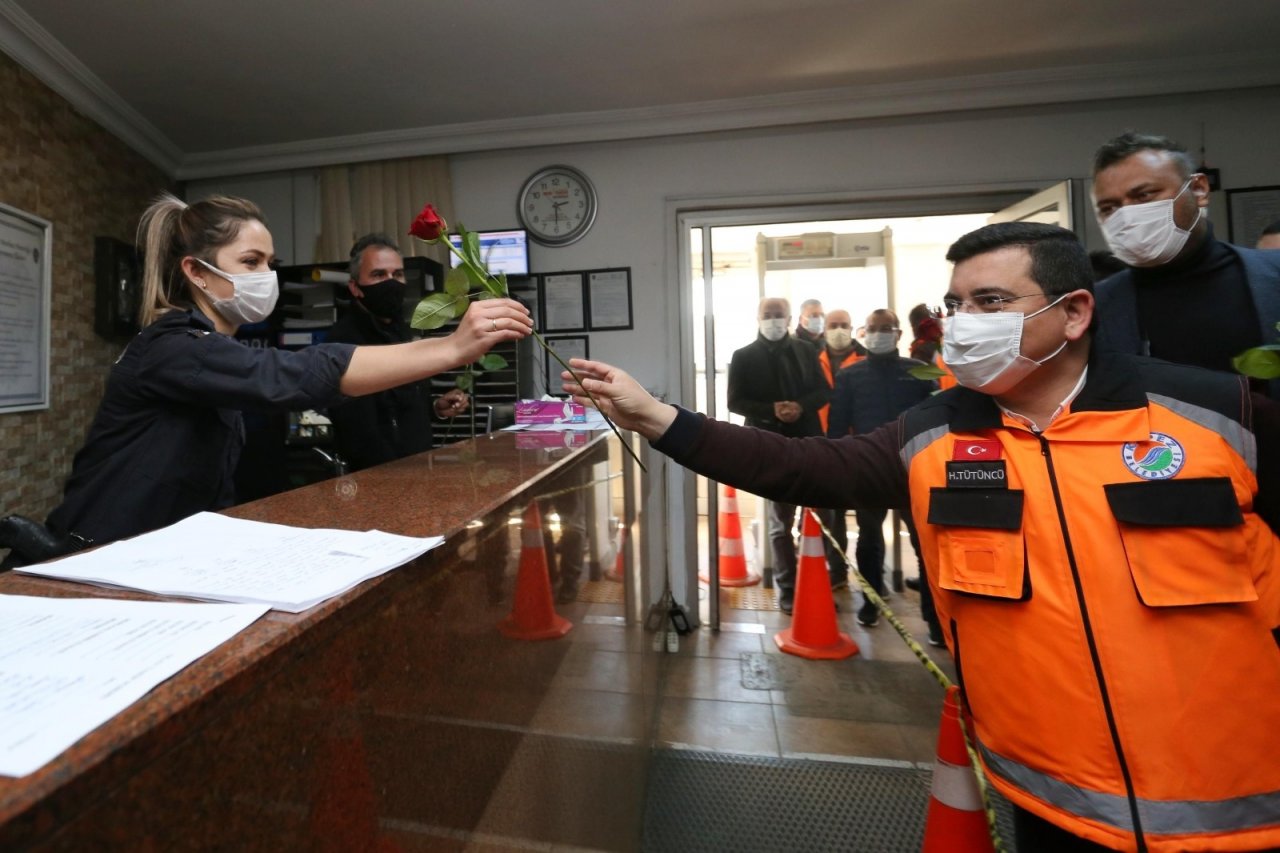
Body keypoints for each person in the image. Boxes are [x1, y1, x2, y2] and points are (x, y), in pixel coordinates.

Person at [563, 222, 1280, 853]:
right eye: (956, 305)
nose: (965, 322)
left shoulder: (1219, 415)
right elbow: (799, 464)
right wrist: (656, 415)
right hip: (1053, 798)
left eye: (992, 302)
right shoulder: (935, 431)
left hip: (1242, 803)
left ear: (1075, 313)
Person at [12, 194, 530, 560]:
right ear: (196, 272)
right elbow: (296, 374)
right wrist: (452, 347)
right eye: (251, 261)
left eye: (270, 262)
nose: (267, 276)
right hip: (94, 557)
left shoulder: (214, 351)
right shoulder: (174, 347)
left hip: (154, 556)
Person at [1091, 131, 1280, 398]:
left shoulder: (1274, 274)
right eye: (1109, 208)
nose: (1127, 216)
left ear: (1199, 189)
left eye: (1144, 195)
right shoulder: (1097, 307)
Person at [827, 309, 936, 633]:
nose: (878, 334)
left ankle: (934, 618)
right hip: (869, 469)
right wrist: (838, 466)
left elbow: (935, 418)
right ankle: (871, 602)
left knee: (925, 544)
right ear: (864, 334)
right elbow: (836, 428)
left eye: (885, 328)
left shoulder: (921, 371)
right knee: (869, 539)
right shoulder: (850, 375)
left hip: (914, 470)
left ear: (898, 334)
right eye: (872, 329)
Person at [325, 233, 471, 471]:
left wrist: (435, 409)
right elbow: (359, 434)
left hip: (419, 470)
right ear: (355, 287)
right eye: (378, 274)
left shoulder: (402, 331)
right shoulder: (344, 343)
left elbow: (401, 405)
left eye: (397, 274)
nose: (391, 282)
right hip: (380, 481)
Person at [727, 296, 830, 614]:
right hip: (768, 443)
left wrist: (800, 406)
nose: (773, 320)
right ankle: (787, 588)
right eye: (767, 315)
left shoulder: (807, 350)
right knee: (778, 522)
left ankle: (816, 581)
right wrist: (772, 411)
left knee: (817, 517)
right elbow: (735, 402)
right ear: (758, 319)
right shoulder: (743, 356)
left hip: (808, 443)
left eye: (778, 315)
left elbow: (824, 390)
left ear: (789, 319)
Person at [815, 309, 865, 590]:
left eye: (844, 325)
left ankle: (849, 572)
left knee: (859, 516)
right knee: (828, 514)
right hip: (818, 442)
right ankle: (831, 570)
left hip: (853, 445)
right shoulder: (813, 359)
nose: (839, 330)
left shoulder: (864, 359)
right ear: (824, 329)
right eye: (833, 325)